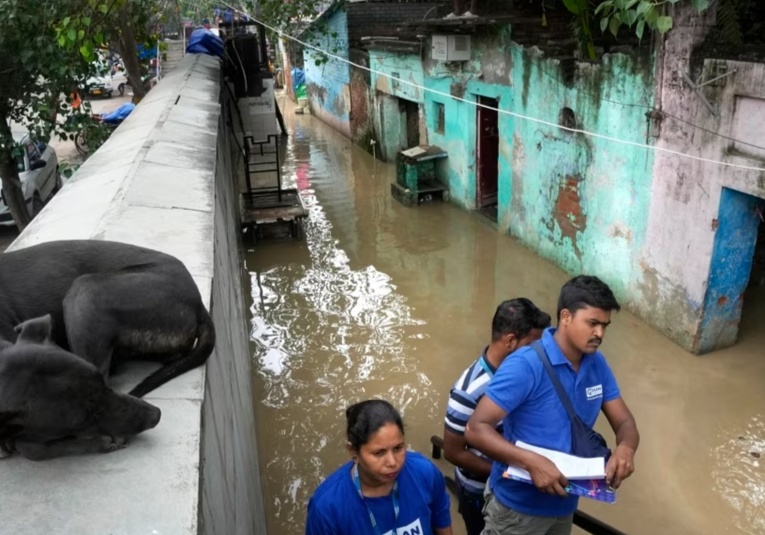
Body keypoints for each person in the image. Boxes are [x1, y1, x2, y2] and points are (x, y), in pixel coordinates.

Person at [466, 275, 640, 535]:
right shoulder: (525, 366)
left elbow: (624, 421)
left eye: (605, 325)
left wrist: (626, 449)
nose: (600, 334)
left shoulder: (597, 364)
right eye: (592, 323)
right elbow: (475, 429)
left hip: (565, 503)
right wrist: (531, 462)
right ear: (566, 317)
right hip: (516, 511)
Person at [443, 298, 551, 535]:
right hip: (480, 491)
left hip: (520, 479)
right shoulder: (468, 391)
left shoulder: (528, 375)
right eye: (533, 345)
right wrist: (505, 469)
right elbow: (452, 451)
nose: (540, 353)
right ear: (510, 341)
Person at [306, 399, 453, 535]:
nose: (392, 462)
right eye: (379, 453)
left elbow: (442, 522)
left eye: (398, 448)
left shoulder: (425, 473)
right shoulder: (326, 507)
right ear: (353, 451)